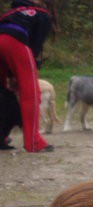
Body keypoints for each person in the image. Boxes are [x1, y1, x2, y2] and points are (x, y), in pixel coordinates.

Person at [0, 0, 56, 152]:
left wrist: (11, 74)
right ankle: (33, 142)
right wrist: (20, 73)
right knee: (30, 93)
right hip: (16, 42)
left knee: (3, 92)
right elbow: (34, 45)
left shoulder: (11, 12)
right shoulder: (43, 15)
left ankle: (1, 135)